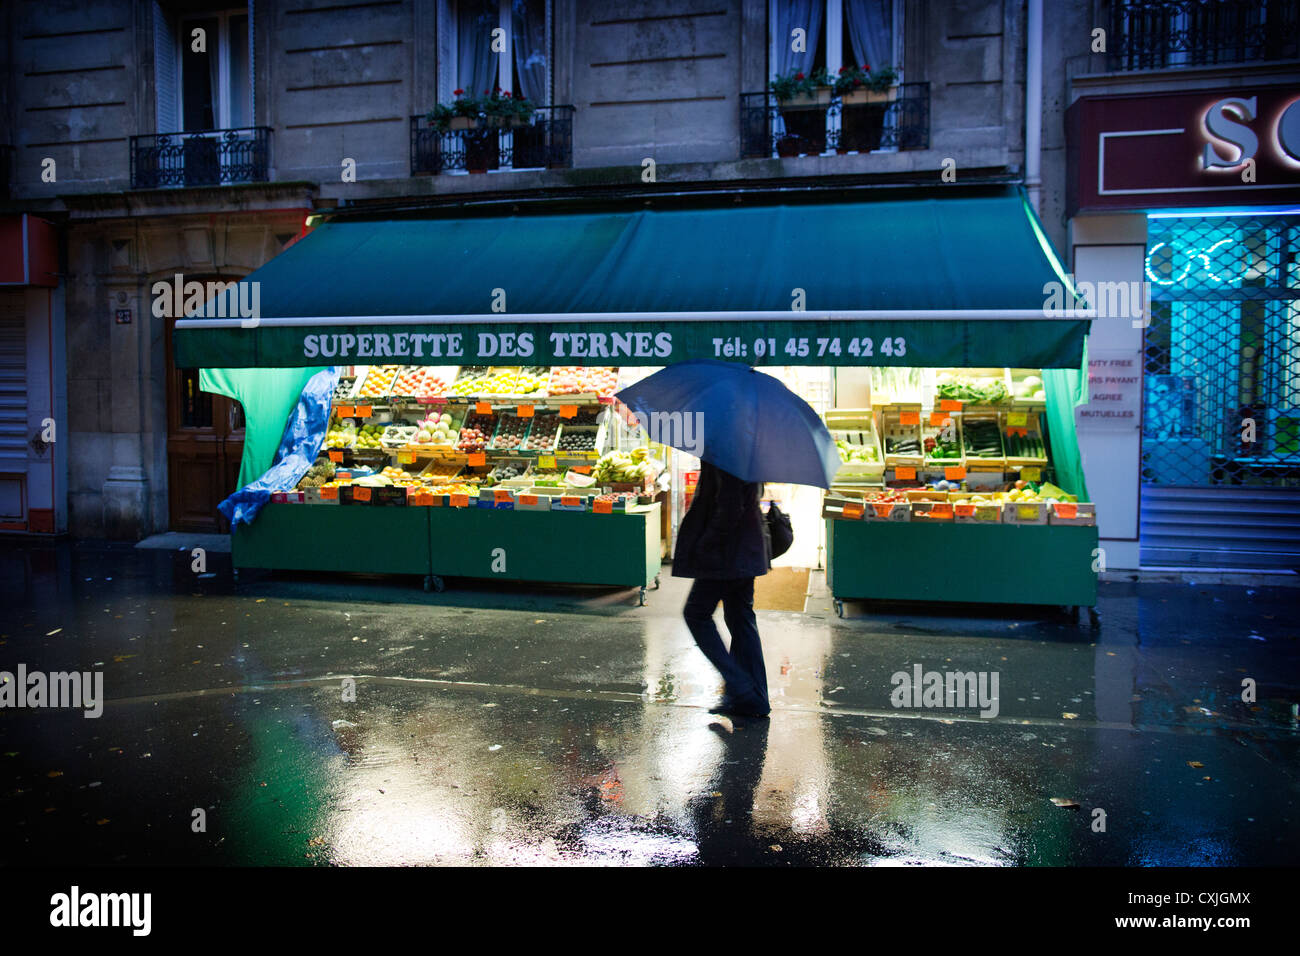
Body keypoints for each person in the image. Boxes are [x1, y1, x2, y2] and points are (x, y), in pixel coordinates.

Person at [672, 460, 772, 718]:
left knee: (696, 613)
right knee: (741, 619)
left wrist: (705, 544)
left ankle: (739, 686)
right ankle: (755, 699)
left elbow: (729, 506)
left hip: (726, 552)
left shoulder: (724, 448)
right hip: (745, 549)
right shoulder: (746, 444)